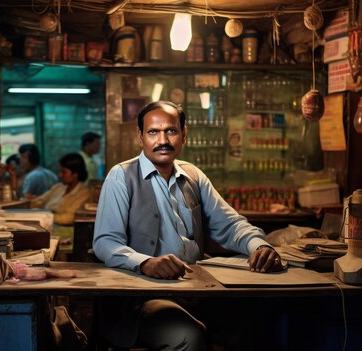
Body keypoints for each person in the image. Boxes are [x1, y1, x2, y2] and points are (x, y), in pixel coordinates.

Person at [92, 100, 282, 350]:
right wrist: (145, 262)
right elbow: (105, 242)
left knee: (264, 318)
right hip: (144, 295)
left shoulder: (193, 175)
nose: (163, 140)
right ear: (140, 137)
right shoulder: (122, 176)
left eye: (170, 131)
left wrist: (259, 246)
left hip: (198, 289)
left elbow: (230, 224)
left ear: (184, 135)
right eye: (153, 132)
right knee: (187, 336)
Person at [30, 153, 91, 225]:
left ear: (75, 174)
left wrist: (45, 216)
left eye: (64, 172)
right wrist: (31, 201)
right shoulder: (58, 187)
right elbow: (39, 201)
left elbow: (68, 218)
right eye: (60, 171)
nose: (60, 175)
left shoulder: (84, 193)